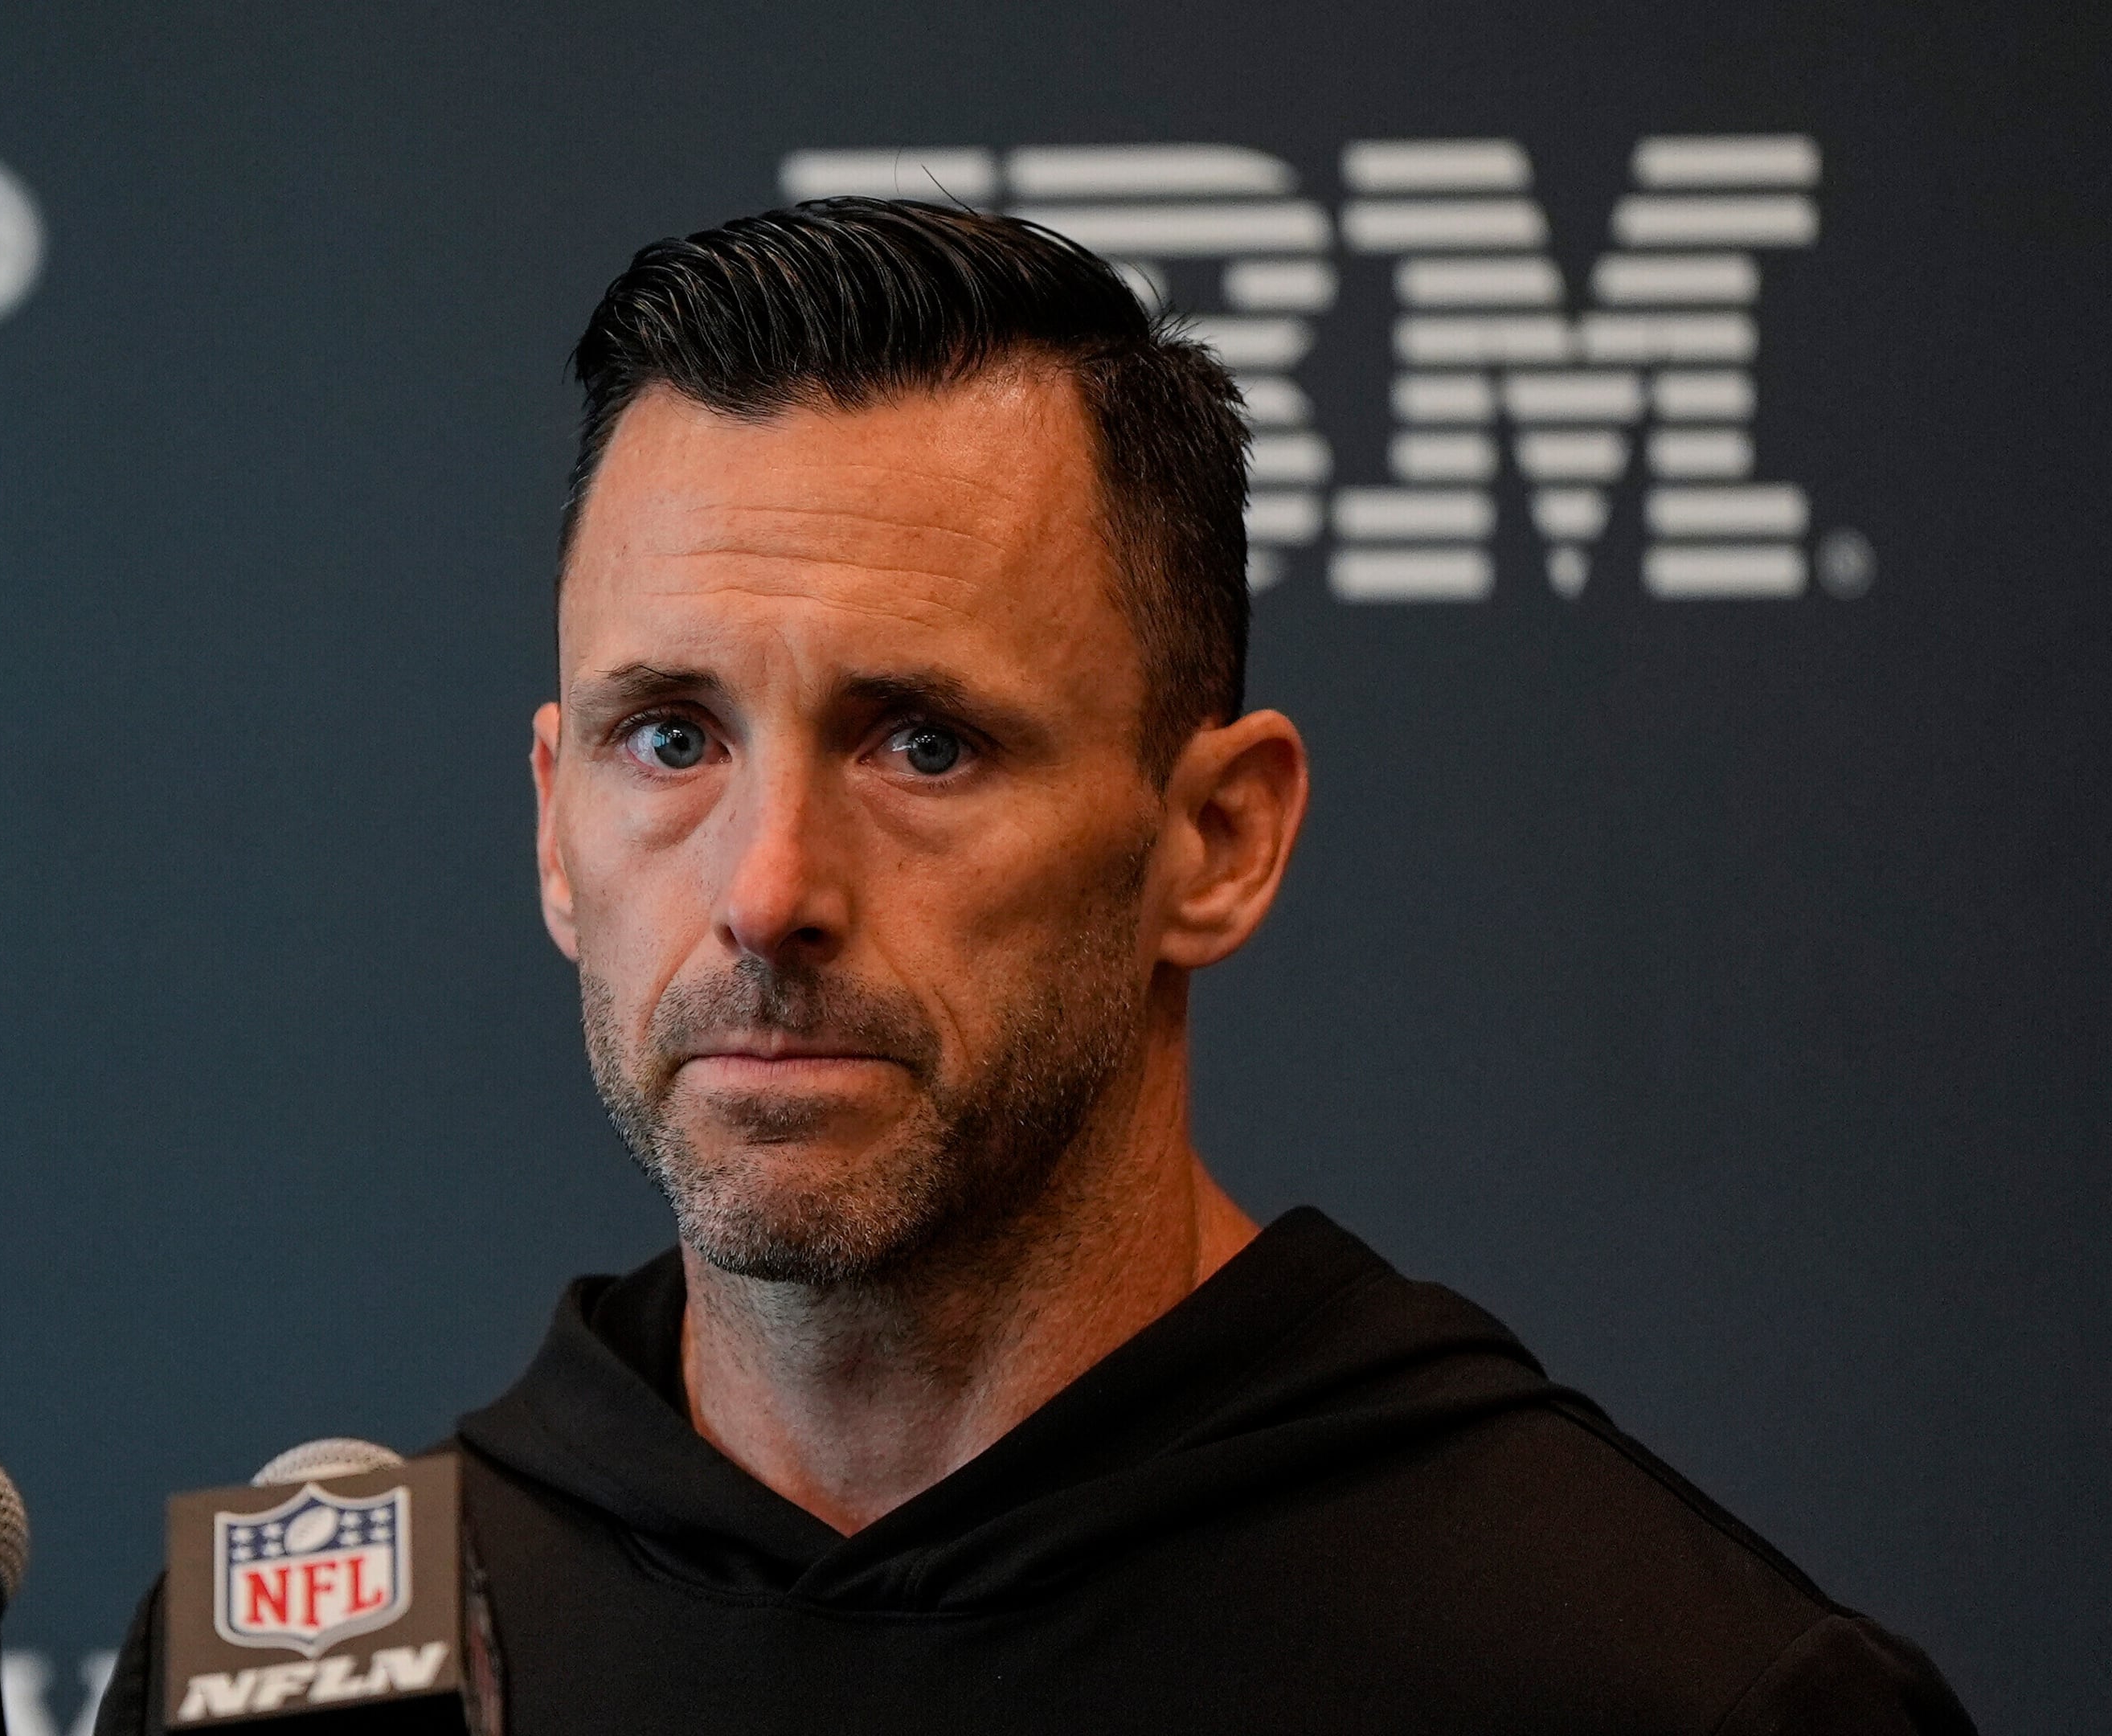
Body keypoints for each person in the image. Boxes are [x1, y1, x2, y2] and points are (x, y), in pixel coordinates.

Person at [100, 199, 1971, 1733]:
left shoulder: (1662, 1689)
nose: (767, 891)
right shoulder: (299, 1673)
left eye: (923, 742)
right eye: (670, 737)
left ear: (1215, 841)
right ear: (550, 823)